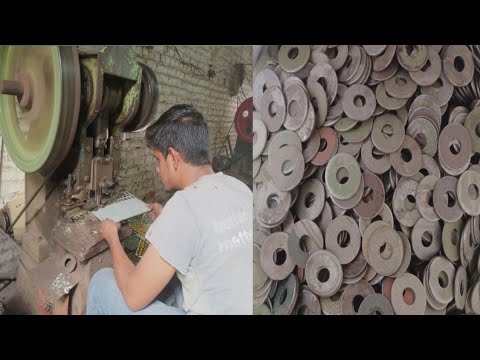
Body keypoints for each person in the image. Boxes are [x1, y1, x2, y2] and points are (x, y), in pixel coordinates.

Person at [86, 104, 253, 315]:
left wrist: (113, 238)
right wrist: (166, 218)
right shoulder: (238, 187)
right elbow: (208, 228)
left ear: (173, 158)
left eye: (158, 159)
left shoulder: (184, 205)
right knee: (172, 278)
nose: (157, 168)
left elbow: (132, 298)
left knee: (102, 282)